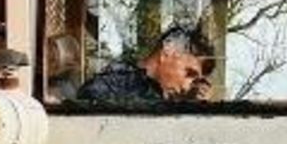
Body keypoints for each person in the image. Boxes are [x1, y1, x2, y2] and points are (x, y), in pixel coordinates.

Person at [76, 24, 215, 104]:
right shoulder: (116, 82)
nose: (187, 86)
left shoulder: (161, 94)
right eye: (188, 73)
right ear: (167, 51)